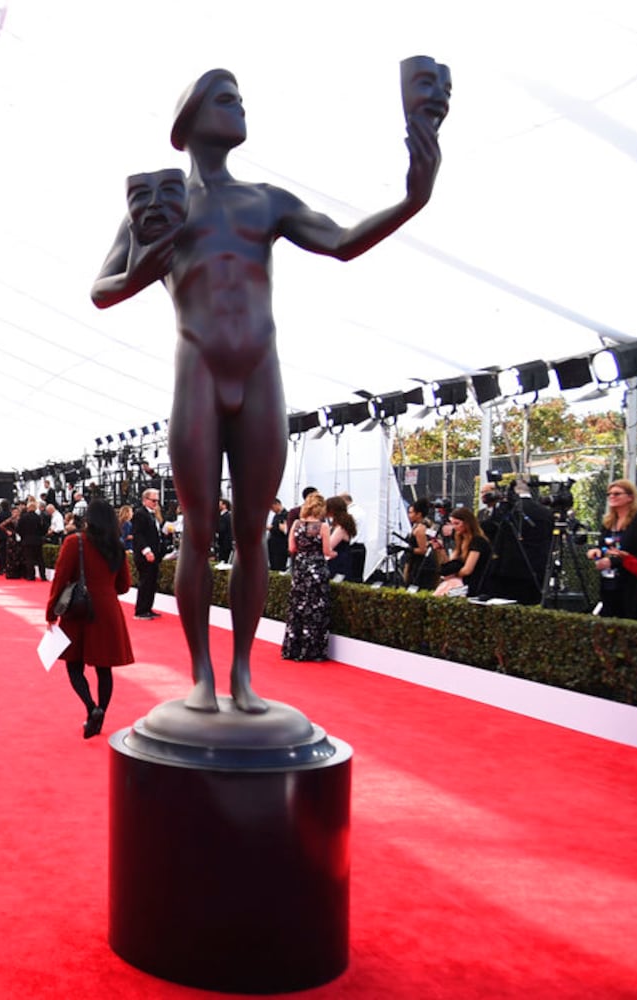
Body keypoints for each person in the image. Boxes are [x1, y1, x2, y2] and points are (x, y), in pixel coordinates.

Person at [91, 67, 440, 712]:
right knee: (199, 530)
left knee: (251, 533)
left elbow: (339, 241)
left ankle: (242, 675)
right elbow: (102, 290)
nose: (240, 108)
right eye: (227, 99)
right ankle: (201, 676)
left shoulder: (265, 201)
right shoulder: (162, 202)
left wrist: (413, 196)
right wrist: (149, 261)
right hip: (196, 372)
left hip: (260, 375)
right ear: (191, 120)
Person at [46, 499, 136, 739]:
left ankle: (90, 707)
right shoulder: (116, 546)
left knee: (73, 665)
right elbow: (125, 586)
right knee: (104, 668)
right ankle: (101, 714)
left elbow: (60, 580)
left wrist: (51, 612)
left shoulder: (74, 542)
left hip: (78, 611)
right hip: (108, 611)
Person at [281, 493, 336, 661]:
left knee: (298, 607)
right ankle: (312, 650)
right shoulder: (323, 527)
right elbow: (327, 551)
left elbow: (291, 548)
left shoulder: (297, 524)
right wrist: (334, 553)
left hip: (300, 570)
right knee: (315, 609)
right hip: (317, 571)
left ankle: (293, 649)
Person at [590, 480, 637, 619]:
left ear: (630, 497)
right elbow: (604, 545)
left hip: (630, 582)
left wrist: (615, 561)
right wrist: (597, 551)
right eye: (609, 494)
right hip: (608, 581)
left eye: (617, 494)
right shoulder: (609, 521)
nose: (612, 497)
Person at [431, 507, 491, 598]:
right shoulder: (460, 539)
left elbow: (467, 570)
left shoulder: (478, 541)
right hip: (460, 583)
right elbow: (450, 564)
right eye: (452, 523)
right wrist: (441, 550)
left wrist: (453, 574)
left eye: (457, 523)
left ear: (467, 523)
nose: (454, 527)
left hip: (474, 584)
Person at [132, 488, 163, 620]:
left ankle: (148, 608)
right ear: (145, 500)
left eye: (157, 500)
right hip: (145, 555)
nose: (156, 503)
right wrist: (147, 551)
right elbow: (138, 535)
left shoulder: (153, 514)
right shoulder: (140, 514)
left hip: (154, 554)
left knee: (152, 582)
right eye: (153, 500)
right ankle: (141, 610)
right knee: (145, 581)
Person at [403, 498, 440, 589]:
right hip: (414, 562)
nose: (409, 515)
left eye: (411, 513)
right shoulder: (418, 526)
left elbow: (423, 550)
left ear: (418, 514)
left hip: (420, 566)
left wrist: (408, 549)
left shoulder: (420, 529)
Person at [324, 495, 357, 579]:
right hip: (339, 559)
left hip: (339, 561)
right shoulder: (337, 524)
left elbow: (330, 545)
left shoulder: (340, 528)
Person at [17, 498, 46, 581]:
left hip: (26, 540)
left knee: (29, 559)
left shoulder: (23, 518)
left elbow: (18, 529)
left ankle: (31, 576)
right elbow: (43, 529)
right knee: (40, 559)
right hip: (37, 540)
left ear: (28, 508)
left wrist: (23, 536)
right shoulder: (39, 518)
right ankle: (43, 576)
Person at [266, 497, 289, 572]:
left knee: (279, 566)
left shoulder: (286, 515)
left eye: (272, 507)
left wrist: (272, 528)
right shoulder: (276, 516)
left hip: (281, 546)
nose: (271, 510)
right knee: (273, 566)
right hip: (273, 545)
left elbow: (283, 530)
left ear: (277, 504)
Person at [214, 498, 234, 564]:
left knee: (223, 560)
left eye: (220, 503)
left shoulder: (225, 516)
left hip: (225, 543)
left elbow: (221, 529)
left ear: (224, 505)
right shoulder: (226, 515)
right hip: (224, 542)